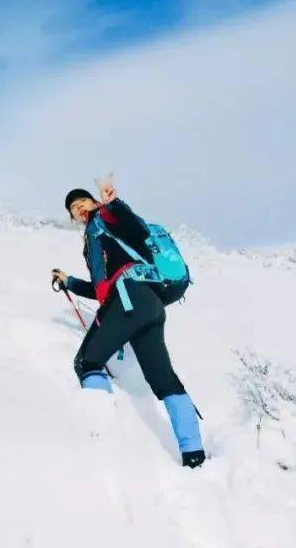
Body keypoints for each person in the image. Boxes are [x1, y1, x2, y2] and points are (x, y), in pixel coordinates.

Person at [52, 176, 205, 468]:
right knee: (163, 380)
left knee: (88, 362)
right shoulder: (99, 238)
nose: (79, 207)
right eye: (73, 207)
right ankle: (194, 455)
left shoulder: (104, 218)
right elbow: (104, 291)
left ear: (94, 202)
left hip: (130, 299)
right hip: (147, 305)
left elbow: (136, 228)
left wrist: (113, 203)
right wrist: (69, 281)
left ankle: (103, 441)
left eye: (82, 200)